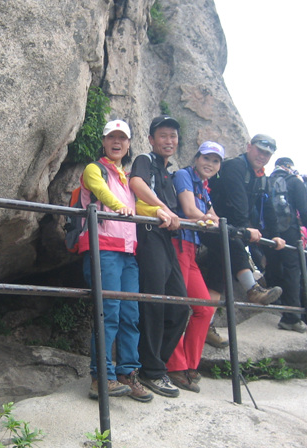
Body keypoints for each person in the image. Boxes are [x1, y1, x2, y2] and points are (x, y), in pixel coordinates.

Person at [77, 120, 151, 403]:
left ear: (129, 144)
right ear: (104, 141)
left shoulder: (125, 177)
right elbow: (100, 192)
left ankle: (127, 373)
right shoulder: (95, 169)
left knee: (130, 313)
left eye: (122, 138)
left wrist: (166, 213)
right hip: (103, 248)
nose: (117, 142)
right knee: (108, 311)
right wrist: (120, 206)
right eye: (112, 137)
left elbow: (140, 207)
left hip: (127, 252)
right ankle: (101, 377)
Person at [201, 134, 284, 346]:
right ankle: (252, 289)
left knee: (217, 277)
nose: (262, 156)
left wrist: (275, 234)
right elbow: (238, 203)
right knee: (232, 243)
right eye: (259, 150)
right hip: (207, 222)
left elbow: (268, 208)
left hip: (227, 227)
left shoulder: (260, 177)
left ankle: (205, 327)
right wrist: (245, 229)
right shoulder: (235, 167)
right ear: (249, 147)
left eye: (267, 153)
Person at [129, 115, 189, 398]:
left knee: (179, 305)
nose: (168, 141)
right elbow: (137, 183)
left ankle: (153, 365)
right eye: (163, 136)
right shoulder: (145, 160)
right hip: (148, 234)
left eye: (173, 136)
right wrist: (164, 208)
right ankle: (152, 371)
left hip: (166, 242)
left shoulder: (170, 173)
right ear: (152, 140)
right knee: (154, 302)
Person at [166, 141, 224, 393]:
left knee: (204, 307)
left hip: (191, 250)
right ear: (197, 157)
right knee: (178, 306)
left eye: (215, 160)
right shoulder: (183, 175)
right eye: (206, 158)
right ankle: (175, 366)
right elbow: (190, 210)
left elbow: (215, 218)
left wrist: (209, 219)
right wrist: (207, 220)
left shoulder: (203, 187)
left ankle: (190, 364)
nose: (210, 164)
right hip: (177, 246)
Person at [262, 157, 307, 333]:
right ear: (290, 166)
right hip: (290, 233)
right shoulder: (295, 181)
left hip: (267, 233)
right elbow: (304, 211)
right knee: (293, 272)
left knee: (273, 268)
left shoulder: (265, 181)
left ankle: (278, 305)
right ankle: (292, 317)